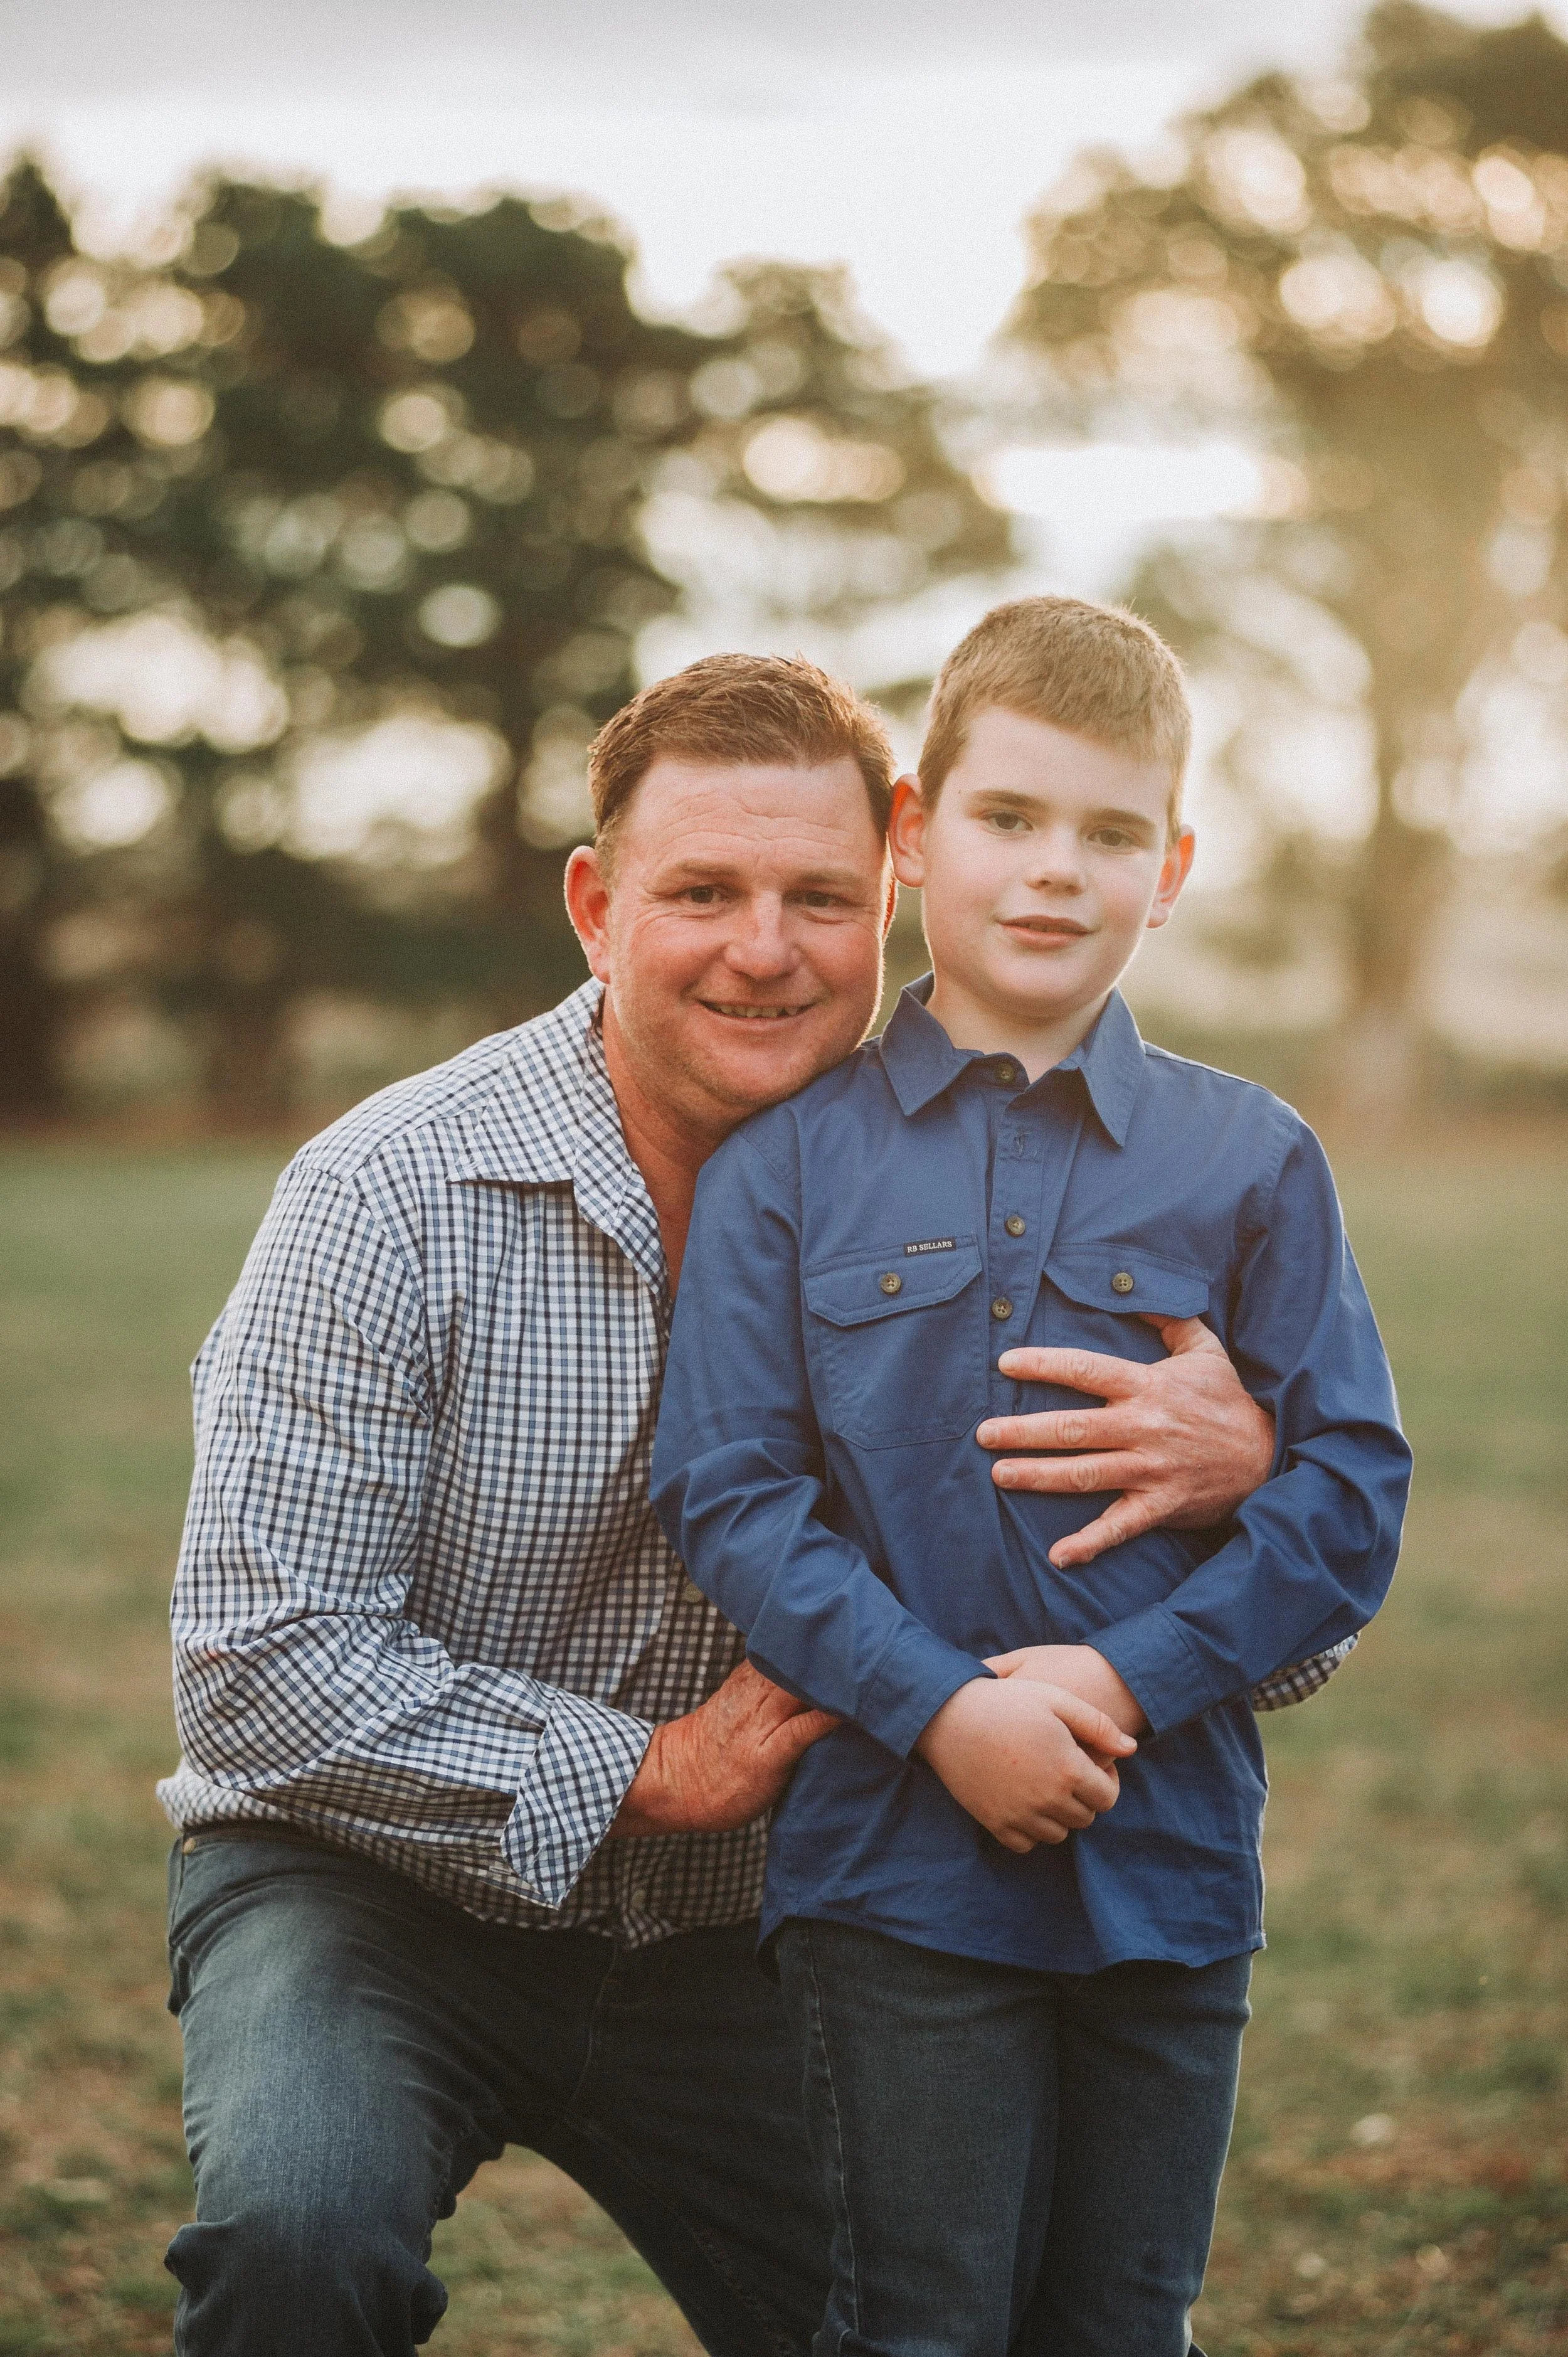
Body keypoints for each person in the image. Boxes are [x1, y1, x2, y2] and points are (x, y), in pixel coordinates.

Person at [160, 649, 1316, 2357]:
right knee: (296, 2233)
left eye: (817, 897)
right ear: (593, 904)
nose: (763, 949)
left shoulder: (1022, 1196)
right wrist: (644, 1767)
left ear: (895, 888)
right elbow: (259, 1664)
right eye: (700, 891)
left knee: (968, 2316)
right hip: (373, 1889)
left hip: (774, 1929)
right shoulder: (383, 1195)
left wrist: (1247, 1477)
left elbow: (1228, 1644)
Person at [651, 602, 1412, 2357]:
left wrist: (1120, 1673)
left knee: (1123, 2325)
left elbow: (1348, 1497)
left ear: (1174, 866)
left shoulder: (1254, 1159)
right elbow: (732, 1493)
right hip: (890, 1879)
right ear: (914, 831)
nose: (1055, 871)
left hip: (1169, 1875)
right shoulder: (786, 1166)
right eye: (1009, 818)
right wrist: (943, 1709)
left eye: (1110, 831)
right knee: (918, 2323)